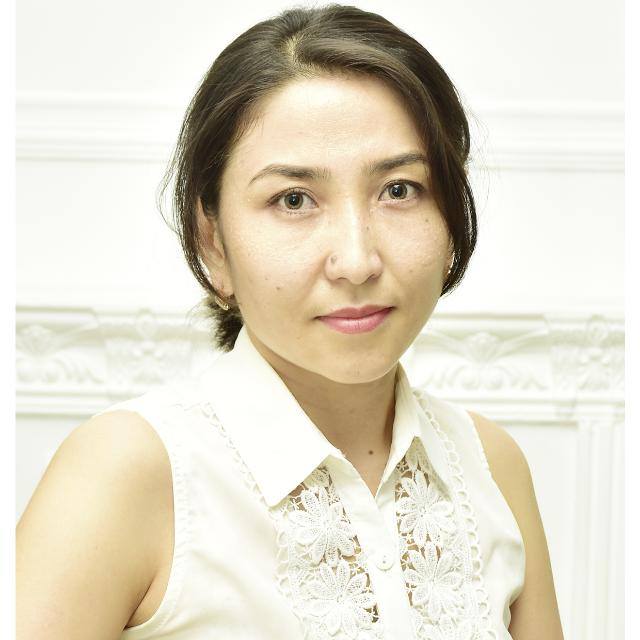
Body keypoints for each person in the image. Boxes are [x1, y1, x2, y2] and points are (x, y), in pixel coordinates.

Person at [16, 4, 564, 639]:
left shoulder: (490, 464)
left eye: (399, 189)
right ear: (212, 241)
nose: (356, 261)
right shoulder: (127, 470)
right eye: (293, 199)